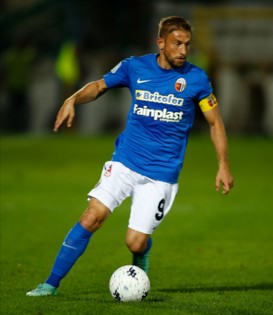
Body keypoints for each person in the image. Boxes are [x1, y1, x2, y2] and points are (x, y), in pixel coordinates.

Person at [26, 16, 234, 297]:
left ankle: (141, 253)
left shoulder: (197, 79)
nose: (183, 51)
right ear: (160, 43)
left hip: (161, 174)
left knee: (134, 242)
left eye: (187, 44)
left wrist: (223, 165)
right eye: (176, 44)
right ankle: (49, 284)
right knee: (91, 217)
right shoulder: (134, 67)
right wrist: (72, 98)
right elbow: (99, 87)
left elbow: (215, 123)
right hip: (125, 161)